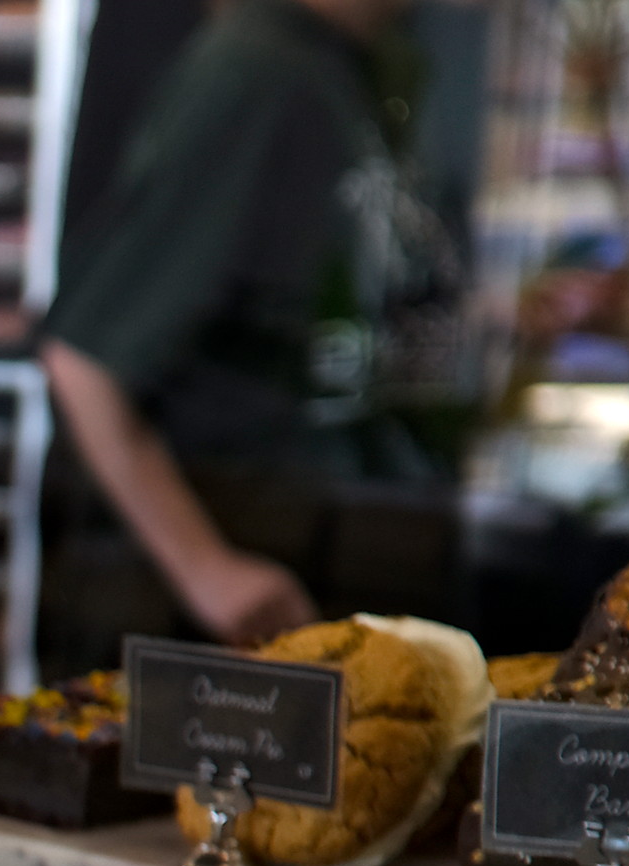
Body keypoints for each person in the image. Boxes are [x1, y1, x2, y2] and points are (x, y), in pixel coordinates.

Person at [38, 0, 449, 656]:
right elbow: (84, 358)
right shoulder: (257, 69)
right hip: (225, 628)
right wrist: (206, 569)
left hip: (336, 564)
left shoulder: (354, 71)